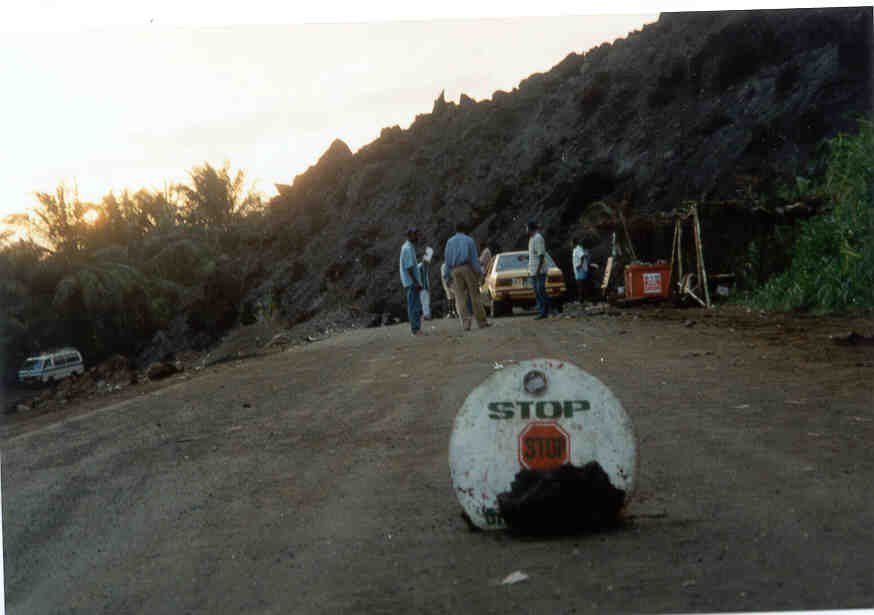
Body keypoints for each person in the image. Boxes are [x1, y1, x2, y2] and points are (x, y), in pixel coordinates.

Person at [443, 222, 491, 331]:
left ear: (456, 230)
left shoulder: (449, 242)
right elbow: (474, 259)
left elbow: (447, 260)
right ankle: (481, 322)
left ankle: (465, 324)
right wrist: (480, 274)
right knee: (474, 295)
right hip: (467, 268)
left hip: (454, 270)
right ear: (465, 230)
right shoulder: (469, 240)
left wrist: (446, 276)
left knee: (460, 297)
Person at [399, 228, 424, 336]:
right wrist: (415, 282)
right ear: (410, 236)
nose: (418, 237)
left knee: (414, 305)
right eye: (416, 235)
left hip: (410, 282)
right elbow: (409, 267)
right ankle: (415, 329)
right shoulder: (408, 248)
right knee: (414, 306)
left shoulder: (408, 247)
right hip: (411, 283)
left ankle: (416, 328)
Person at [527, 221, 552, 320]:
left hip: (539, 271)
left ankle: (547, 310)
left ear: (530, 229)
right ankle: (543, 311)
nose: (526, 230)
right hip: (533, 270)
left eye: (526, 228)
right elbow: (534, 255)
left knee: (540, 290)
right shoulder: (531, 239)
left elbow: (541, 255)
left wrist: (538, 270)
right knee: (537, 292)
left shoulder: (538, 238)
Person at [572, 238, 590, 303]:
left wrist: (580, 265)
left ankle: (581, 299)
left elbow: (582, 256)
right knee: (581, 285)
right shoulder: (576, 249)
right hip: (578, 269)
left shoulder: (578, 249)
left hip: (580, 269)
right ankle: (583, 299)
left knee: (580, 285)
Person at [418, 246, 434, 320]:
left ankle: (426, 315)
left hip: (424, 287)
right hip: (423, 287)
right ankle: (426, 315)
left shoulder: (421, 266)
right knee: (425, 301)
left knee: (425, 301)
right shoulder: (421, 266)